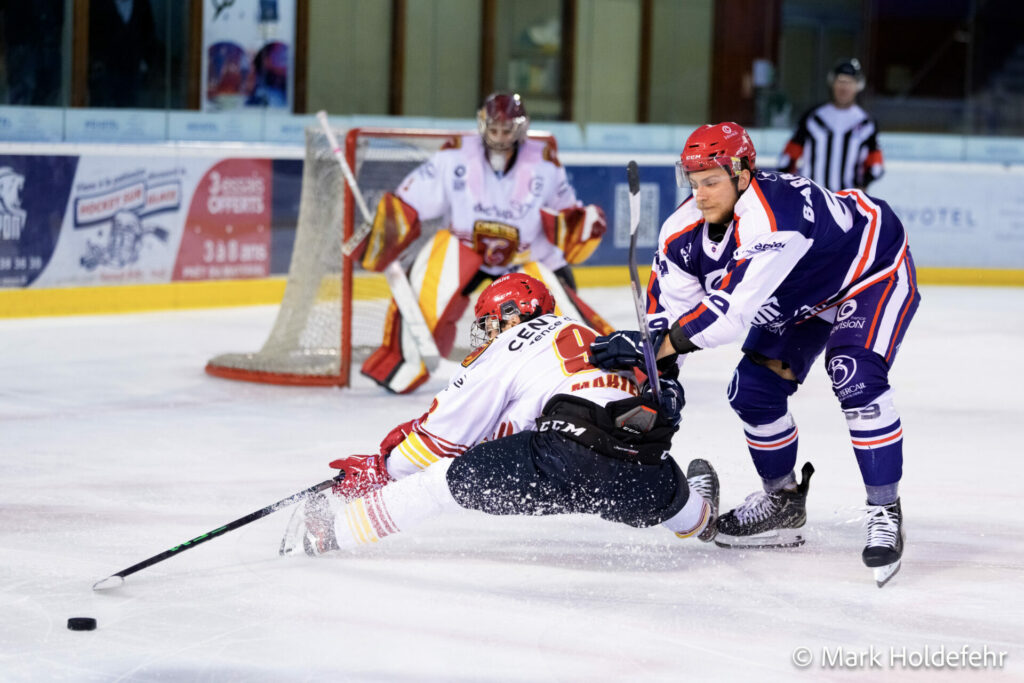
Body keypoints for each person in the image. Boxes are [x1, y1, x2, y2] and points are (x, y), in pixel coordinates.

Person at [591, 122, 919, 587]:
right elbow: (669, 319)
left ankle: (885, 509)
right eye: (694, 182)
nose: (700, 195)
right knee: (753, 392)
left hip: (869, 270)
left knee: (855, 376)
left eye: (712, 182)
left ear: (743, 173)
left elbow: (729, 316)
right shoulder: (680, 234)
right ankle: (783, 501)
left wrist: (655, 349)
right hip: (797, 291)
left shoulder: (774, 216)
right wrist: (656, 380)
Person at [282, 273, 718, 556]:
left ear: (511, 315)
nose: (486, 335)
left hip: (564, 457)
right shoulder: (592, 337)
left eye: (489, 323)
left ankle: (332, 534)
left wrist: (383, 469)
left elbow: (438, 442)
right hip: (643, 467)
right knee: (659, 487)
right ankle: (700, 514)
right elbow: (659, 398)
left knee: (439, 483)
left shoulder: (513, 342)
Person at [359, 91, 611, 394]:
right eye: (494, 129)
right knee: (427, 277)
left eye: (507, 130)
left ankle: (588, 367)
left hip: (525, 259)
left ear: (520, 129)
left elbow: (565, 217)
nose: (500, 136)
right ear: (483, 125)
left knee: (556, 313)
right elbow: (411, 200)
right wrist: (386, 232)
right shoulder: (455, 156)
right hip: (467, 252)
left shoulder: (544, 163)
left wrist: (583, 224)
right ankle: (403, 362)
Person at [777, 59, 884, 192]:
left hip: (847, 201)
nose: (844, 87)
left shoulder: (866, 123)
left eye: (850, 82)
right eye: (840, 81)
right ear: (832, 83)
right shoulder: (813, 117)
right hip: (813, 198)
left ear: (858, 85)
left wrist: (863, 185)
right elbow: (788, 157)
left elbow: (876, 165)